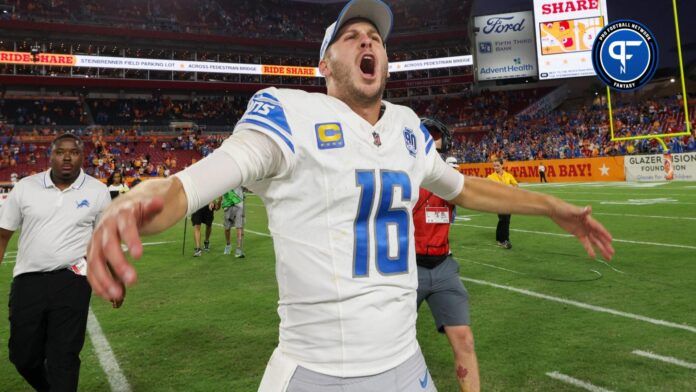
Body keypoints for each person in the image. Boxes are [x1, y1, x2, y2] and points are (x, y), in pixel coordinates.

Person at [85, 1, 614, 391]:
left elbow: (464, 188)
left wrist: (553, 207)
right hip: (317, 372)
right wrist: (136, 202)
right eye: (351, 36)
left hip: (406, 364)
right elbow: (191, 184)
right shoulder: (289, 112)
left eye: (375, 38)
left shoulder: (408, 127)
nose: (368, 42)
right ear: (324, 64)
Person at [0, 134, 111, 392]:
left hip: (73, 280)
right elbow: (3, 233)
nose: (67, 157)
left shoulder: (97, 191)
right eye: (61, 152)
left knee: (65, 357)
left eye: (73, 152)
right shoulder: (26, 187)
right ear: (50, 155)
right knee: (23, 357)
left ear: (82, 156)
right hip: (28, 281)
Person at [414, 118, 479, 392]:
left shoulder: (447, 176)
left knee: (464, 339)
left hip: (443, 264)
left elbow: (471, 196)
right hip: (407, 268)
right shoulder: (406, 175)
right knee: (390, 342)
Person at [487, 159, 518, 249]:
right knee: (504, 220)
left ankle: (499, 239)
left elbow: (516, 185)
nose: (495, 167)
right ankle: (505, 240)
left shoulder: (508, 175)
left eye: (497, 165)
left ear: (502, 165)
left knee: (504, 220)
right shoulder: (490, 177)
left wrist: (511, 186)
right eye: (494, 166)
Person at [221, 187, 245, 258]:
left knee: (239, 226)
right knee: (227, 228)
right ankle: (228, 245)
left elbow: (247, 185)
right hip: (227, 205)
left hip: (238, 204)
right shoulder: (224, 180)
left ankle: (238, 249)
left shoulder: (241, 178)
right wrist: (219, 202)